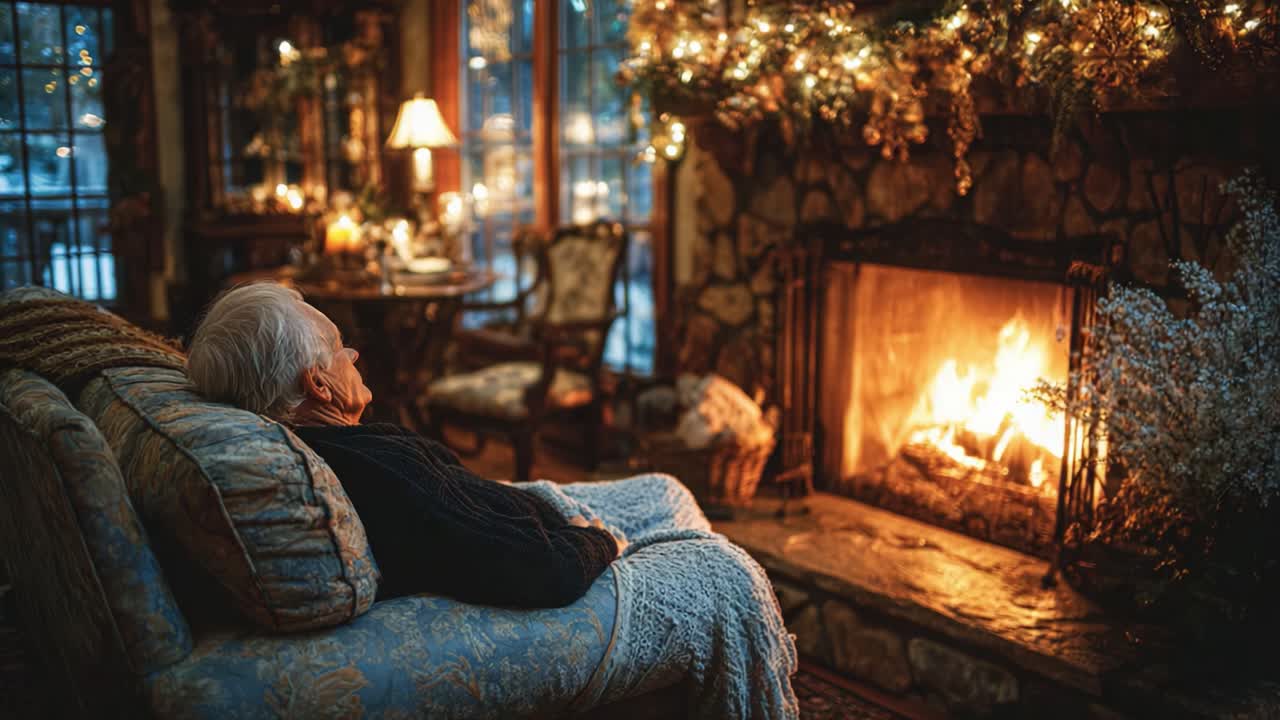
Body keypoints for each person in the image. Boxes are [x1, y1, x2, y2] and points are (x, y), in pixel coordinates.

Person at [186, 282, 626, 607]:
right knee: (670, 498)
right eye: (341, 348)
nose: (354, 356)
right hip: (567, 553)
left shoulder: (342, 445)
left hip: (541, 520)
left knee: (661, 486)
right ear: (318, 384)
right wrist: (597, 540)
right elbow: (542, 569)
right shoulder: (381, 470)